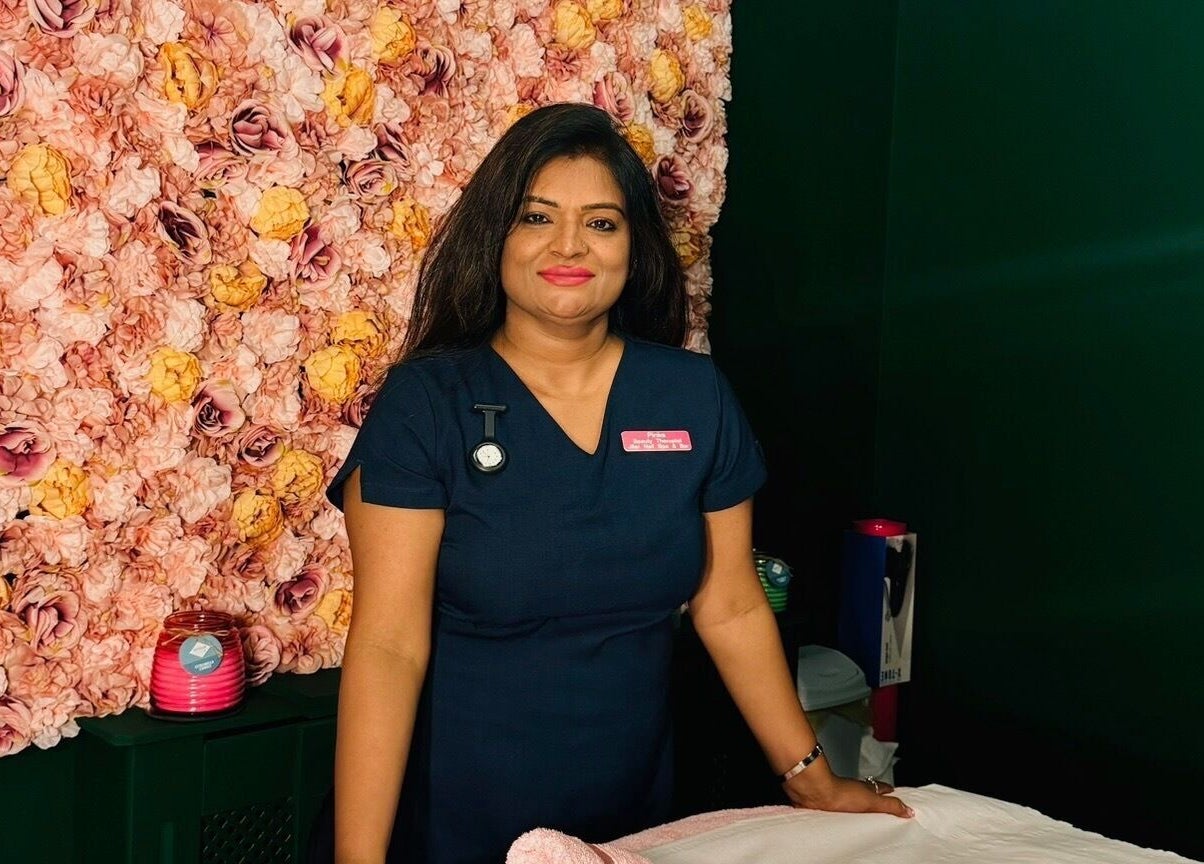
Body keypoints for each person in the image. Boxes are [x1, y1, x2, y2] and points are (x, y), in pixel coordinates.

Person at [319, 102, 911, 864]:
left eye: (601, 223)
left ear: (635, 246)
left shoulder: (693, 398)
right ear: (495, 237)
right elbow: (388, 645)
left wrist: (813, 781)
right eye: (537, 217)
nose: (570, 245)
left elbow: (729, 605)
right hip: (453, 821)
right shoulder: (426, 406)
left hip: (632, 825)